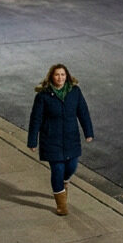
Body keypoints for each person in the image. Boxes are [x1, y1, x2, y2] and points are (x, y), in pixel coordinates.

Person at [26, 63, 93, 216]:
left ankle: (64, 183)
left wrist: (88, 132)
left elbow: (83, 112)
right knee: (57, 170)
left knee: (71, 167)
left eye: (63, 75)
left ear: (67, 76)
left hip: (71, 138)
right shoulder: (43, 96)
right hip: (51, 139)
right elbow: (35, 119)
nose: (60, 78)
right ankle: (61, 206)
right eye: (57, 75)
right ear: (51, 77)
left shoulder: (74, 92)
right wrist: (32, 141)